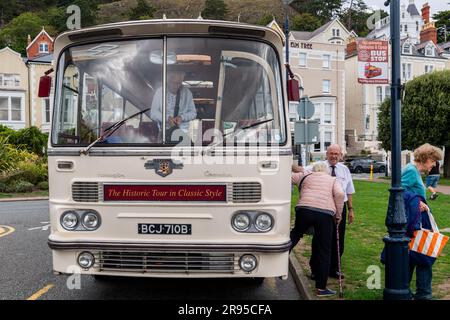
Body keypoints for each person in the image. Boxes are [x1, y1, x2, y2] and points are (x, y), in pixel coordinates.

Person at [294, 144, 355, 279]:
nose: (334, 156)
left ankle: (334, 269)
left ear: (340, 155)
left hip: (341, 206)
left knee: (339, 238)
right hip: (324, 207)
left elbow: (349, 191)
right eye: (331, 153)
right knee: (320, 239)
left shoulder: (344, 170)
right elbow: (302, 171)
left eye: (336, 154)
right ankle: (316, 269)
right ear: (326, 154)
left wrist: (350, 209)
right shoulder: (319, 166)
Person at [291, 162, 344, 297]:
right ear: (326, 171)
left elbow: (287, 177)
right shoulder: (332, 179)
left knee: (295, 234)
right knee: (324, 250)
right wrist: (338, 215)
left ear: (313, 170)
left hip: (304, 209)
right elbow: (339, 194)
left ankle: (278, 257)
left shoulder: (305, 176)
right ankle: (321, 288)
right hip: (324, 214)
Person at [401, 143, 443, 300]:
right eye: (433, 161)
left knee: (417, 256)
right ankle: (420, 294)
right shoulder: (411, 171)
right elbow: (398, 191)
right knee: (423, 257)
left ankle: (412, 292)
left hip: (418, 220)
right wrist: (417, 203)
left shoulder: (415, 172)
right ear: (426, 158)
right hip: (414, 221)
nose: (434, 165)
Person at [150, 70, 197, 141]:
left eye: (178, 83)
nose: (176, 86)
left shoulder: (187, 93)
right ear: (168, 81)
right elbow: (153, 113)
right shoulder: (160, 92)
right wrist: (167, 118)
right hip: (164, 134)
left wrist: (182, 117)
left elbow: (193, 113)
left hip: (183, 133)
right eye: (173, 83)